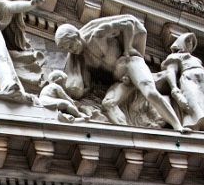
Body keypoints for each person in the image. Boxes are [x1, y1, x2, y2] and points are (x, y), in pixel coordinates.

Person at [55, 14, 186, 132]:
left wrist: (128, 48)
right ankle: (129, 134)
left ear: (77, 36)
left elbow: (128, 24)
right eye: (68, 49)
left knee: (150, 93)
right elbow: (85, 86)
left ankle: (177, 126)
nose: (72, 51)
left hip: (130, 64)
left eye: (71, 46)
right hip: (121, 80)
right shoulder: (82, 60)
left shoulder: (97, 34)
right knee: (107, 104)